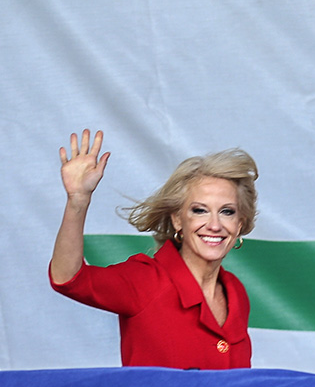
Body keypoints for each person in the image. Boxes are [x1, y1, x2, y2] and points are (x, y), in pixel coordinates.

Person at [49, 129, 259, 369]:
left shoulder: (236, 292)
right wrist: (78, 201)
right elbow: (68, 278)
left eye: (227, 212)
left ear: (239, 223)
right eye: (199, 210)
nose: (214, 225)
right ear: (178, 220)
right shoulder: (145, 280)